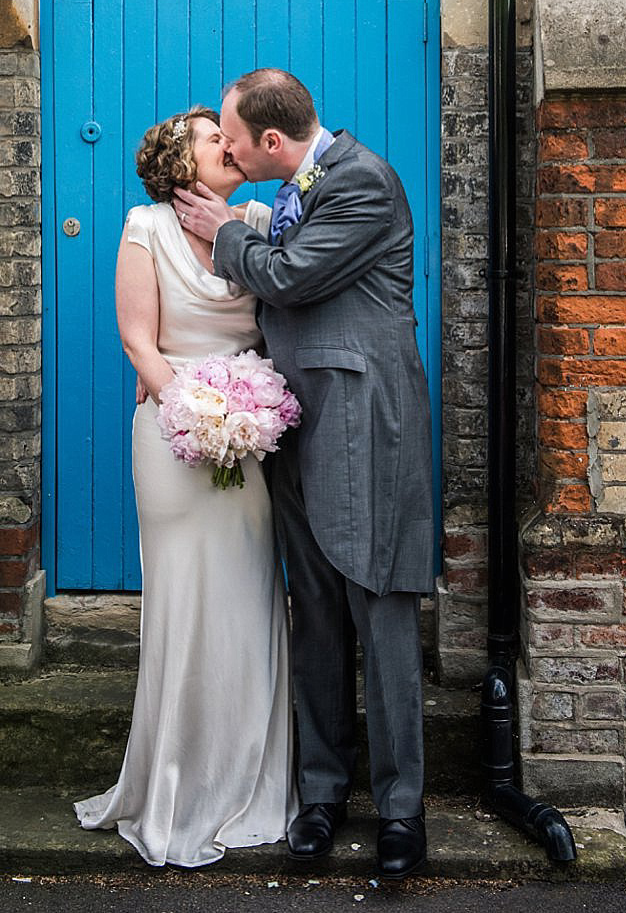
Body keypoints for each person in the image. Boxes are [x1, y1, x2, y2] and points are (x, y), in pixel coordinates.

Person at [174, 69, 433, 881]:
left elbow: (285, 277)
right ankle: (321, 796)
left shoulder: (361, 183)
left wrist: (222, 228)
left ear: (273, 143)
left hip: (364, 427)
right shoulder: (297, 184)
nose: (228, 146)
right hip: (295, 423)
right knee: (315, 609)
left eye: (234, 135)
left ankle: (401, 810)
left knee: (379, 609)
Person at [74, 106, 296, 868]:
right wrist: (195, 412)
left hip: (253, 425)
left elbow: (283, 319)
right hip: (174, 430)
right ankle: (172, 787)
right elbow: (138, 338)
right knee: (183, 605)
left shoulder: (262, 218)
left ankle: (250, 780)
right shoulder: (145, 228)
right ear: (180, 160)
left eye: (228, 137)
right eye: (212, 139)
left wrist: (243, 411)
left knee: (247, 600)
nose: (229, 146)